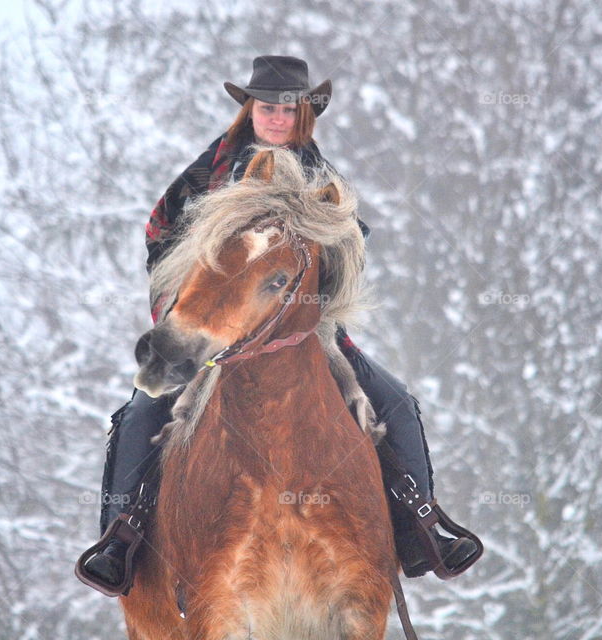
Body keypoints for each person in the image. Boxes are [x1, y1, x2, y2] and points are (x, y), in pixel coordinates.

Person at [76, 56, 480, 595]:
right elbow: (159, 232)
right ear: (249, 108)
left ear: (305, 114)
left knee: (397, 401)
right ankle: (120, 541)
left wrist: (324, 298)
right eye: (266, 107)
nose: (276, 118)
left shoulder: (326, 182)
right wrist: (182, 307)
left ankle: (423, 530)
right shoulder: (210, 172)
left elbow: (352, 252)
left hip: (304, 331)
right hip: (214, 329)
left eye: (288, 110)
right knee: (141, 412)